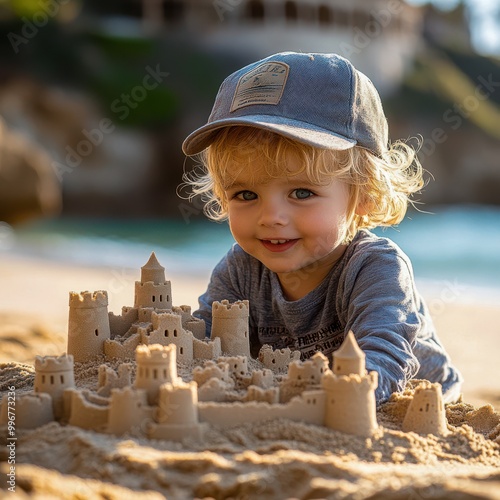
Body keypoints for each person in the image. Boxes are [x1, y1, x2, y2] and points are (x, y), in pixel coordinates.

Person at [181, 51, 462, 404]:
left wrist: (343, 398)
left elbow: (385, 357)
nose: (271, 217)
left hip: (414, 395)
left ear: (365, 196)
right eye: (246, 193)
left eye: (302, 192)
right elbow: (202, 343)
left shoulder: (375, 267)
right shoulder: (239, 272)